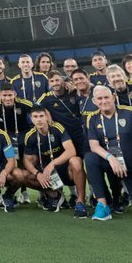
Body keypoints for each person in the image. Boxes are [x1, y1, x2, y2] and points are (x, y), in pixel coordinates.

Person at [84, 85, 132, 220]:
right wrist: (111, 158)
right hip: (112, 164)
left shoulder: (131, 113)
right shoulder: (93, 119)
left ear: (114, 97)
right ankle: (103, 204)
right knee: (90, 159)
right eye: (99, 99)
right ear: (94, 101)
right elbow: (93, 146)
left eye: (106, 97)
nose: (104, 101)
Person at [36, 70, 90, 217]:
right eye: (52, 81)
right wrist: (47, 116)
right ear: (49, 83)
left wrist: (72, 84)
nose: (55, 83)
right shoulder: (46, 99)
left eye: (57, 80)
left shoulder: (73, 92)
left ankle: (92, 196)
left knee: (90, 165)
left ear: (62, 80)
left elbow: (87, 90)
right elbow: (35, 108)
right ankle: (73, 197)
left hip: (81, 137)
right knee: (72, 165)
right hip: (64, 139)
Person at [18, 105, 78, 212]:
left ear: (47, 117)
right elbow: (27, 161)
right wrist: (37, 174)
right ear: (31, 119)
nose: (39, 119)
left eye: (41, 116)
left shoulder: (57, 128)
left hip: (61, 168)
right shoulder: (30, 135)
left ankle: (79, 198)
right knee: (21, 175)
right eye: (35, 117)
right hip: (44, 171)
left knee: (76, 162)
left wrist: (53, 164)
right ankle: (53, 194)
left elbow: (71, 150)